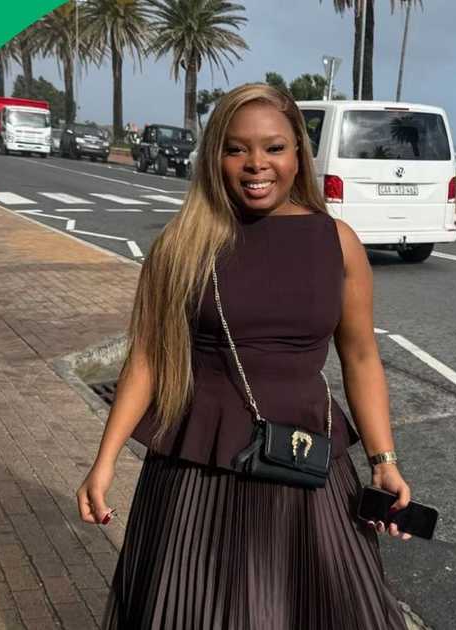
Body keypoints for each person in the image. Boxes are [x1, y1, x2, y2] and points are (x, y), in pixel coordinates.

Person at [77, 83, 412, 629]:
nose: (257, 164)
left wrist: (384, 461)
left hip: (308, 470)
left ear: (298, 154)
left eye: (274, 148)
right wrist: (105, 459)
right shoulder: (183, 243)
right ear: (216, 157)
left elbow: (360, 358)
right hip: (198, 475)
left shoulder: (337, 241)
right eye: (237, 149)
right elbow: (147, 358)